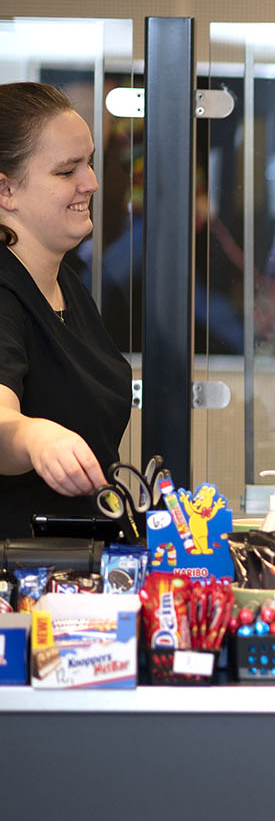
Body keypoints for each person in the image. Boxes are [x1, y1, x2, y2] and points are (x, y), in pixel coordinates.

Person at [0, 82, 132, 538]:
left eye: (89, 162)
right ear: (5, 190)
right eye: (66, 171)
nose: (91, 182)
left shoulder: (68, 286)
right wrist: (34, 437)